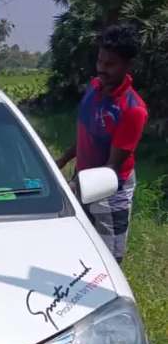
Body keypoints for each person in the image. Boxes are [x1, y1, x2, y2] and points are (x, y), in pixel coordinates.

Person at [56, 24, 148, 265]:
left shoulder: (132, 109)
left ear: (127, 66)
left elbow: (111, 167)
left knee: (108, 259)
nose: (101, 69)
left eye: (110, 64)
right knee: (82, 247)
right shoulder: (94, 88)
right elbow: (87, 134)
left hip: (110, 189)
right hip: (83, 179)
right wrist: (62, 161)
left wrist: (74, 186)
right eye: (100, 61)